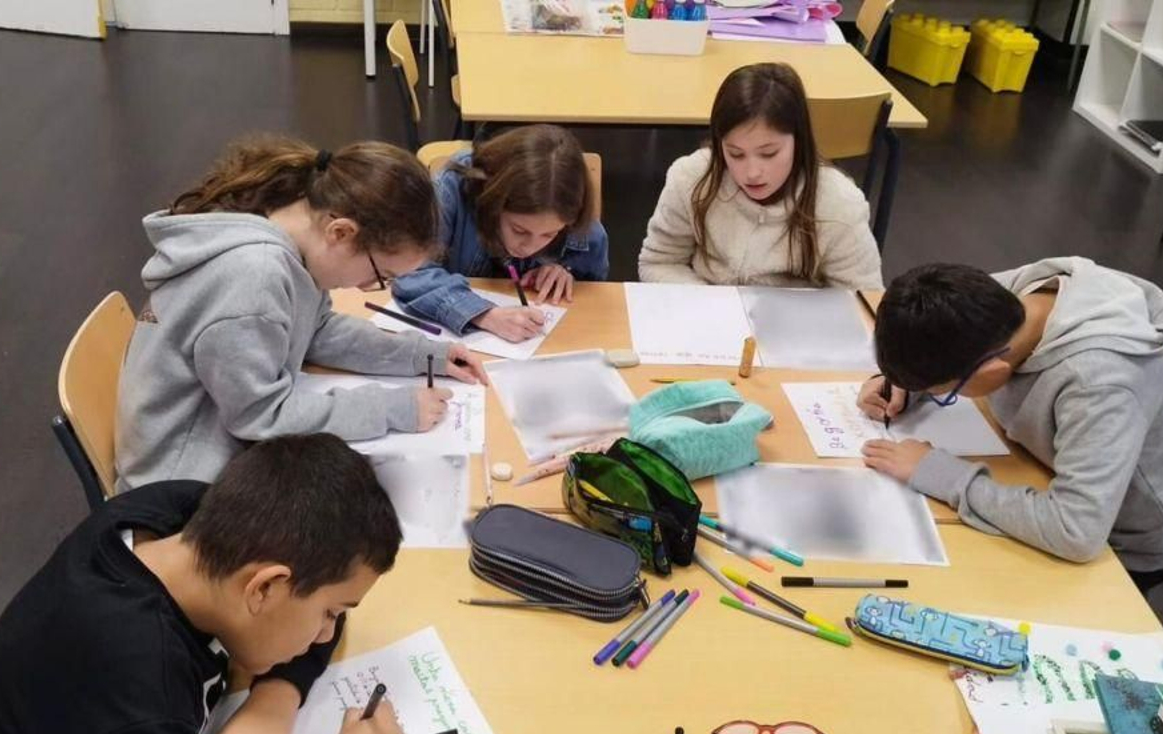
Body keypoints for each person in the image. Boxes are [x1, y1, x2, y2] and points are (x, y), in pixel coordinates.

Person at [0, 434, 406, 734]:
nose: (327, 631)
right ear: (263, 587)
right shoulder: (138, 712)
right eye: (328, 613)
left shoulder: (183, 516)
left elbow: (322, 579)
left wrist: (275, 700)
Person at [114, 135, 488, 492]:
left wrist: (423, 355)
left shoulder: (291, 224)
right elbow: (262, 415)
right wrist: (392, 408)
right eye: (380, 276)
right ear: (340, 232)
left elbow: (317, 329)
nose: (367, 288)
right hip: (180, 483)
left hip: (215, 446)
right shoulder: (254, 278)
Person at [859, 259, 1163, 593]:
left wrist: (939, 473)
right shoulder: (1010, 298)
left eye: (944, 393)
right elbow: (950, 343)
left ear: (991, 372)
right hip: (1043, 464)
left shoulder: (1098, 382)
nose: (939, 395)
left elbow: (1076, 530)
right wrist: (902, 382)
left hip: (1129, 536)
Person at [637, 62, 883, 289]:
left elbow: (864, 299)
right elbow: (659, 262)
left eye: (769, 153)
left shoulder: (838, 205)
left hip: (795, 331)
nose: (752, 173)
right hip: (708, 324)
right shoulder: (691, 178)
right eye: (735, 154)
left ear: (799, 140)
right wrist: (708, 304)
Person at [390, 125, 609, 341]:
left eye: (549, 235)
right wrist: (485, 315)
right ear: (493, 202)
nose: (530, 247)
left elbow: (595, 295)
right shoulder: (453, 189)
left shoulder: (578, 219)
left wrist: (565, 272)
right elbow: (408, 271)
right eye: (519, 230)